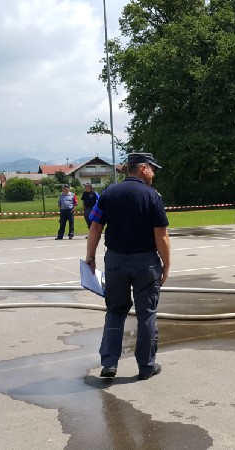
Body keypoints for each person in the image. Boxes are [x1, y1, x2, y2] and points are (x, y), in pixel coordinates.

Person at [85, 152, 170, 379]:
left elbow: (95, 228)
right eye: (152, 168)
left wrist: (90, 258)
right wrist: (167, 264)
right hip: (145, 263)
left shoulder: (108, 193)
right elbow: (161, 236)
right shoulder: (152, 196)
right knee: (146, 314)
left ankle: (110, 363)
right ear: (143, 168)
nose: (154, 173)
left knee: (115, 311)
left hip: (115, 262)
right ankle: (146, 366)